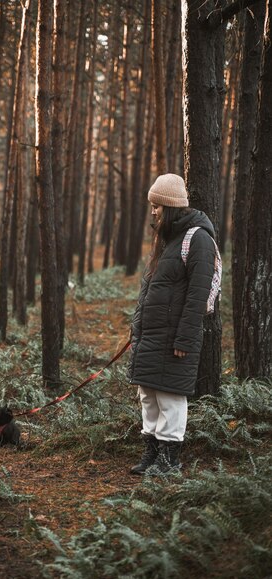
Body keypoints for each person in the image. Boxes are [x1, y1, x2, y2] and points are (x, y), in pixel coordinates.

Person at [127, 173, 217, 475]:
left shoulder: (198, 239)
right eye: (153, 206)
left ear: (172, 206)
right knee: (149, 396)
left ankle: (169, 459)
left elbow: (196, 297)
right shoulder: (166, 240)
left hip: (173, 338)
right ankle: (151, 454)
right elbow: (149, 292)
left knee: (170, 398)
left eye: (158, 206)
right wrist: (137, 330)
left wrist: (184, 341)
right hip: (150, 336)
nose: (154, 211)